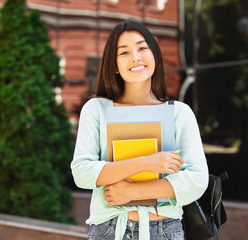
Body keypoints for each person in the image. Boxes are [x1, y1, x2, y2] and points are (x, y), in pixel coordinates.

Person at [71, 19, 209, 240]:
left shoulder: (179, 113)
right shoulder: (96, 110)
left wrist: (132, 192)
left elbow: (196, 181)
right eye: (124, 52)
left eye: (142, 48)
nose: (136, 56)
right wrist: (147, 162)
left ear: (154, 55)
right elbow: (82, 173)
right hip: (109, 230)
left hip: (165, 231)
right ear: (114, 65)